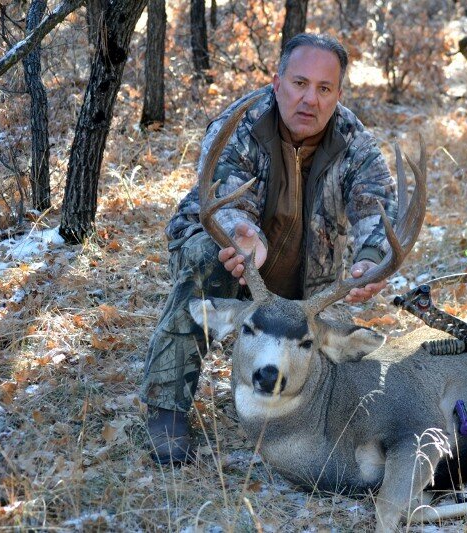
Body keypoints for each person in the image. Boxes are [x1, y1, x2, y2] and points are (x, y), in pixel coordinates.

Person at [141, 33, 398, 464]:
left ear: (338, 93)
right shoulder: (238, 124)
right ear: (277, 82)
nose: (309, 99)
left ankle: (320, 423)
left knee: (339, 344)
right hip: (238, 261)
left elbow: (379, 212)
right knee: (209, 261)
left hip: (307, 284)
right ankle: (168, 407)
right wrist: (242, 235)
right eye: (299, 83)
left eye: (324, 89)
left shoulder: (356, 143)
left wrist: (369, 263)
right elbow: (222, 195)